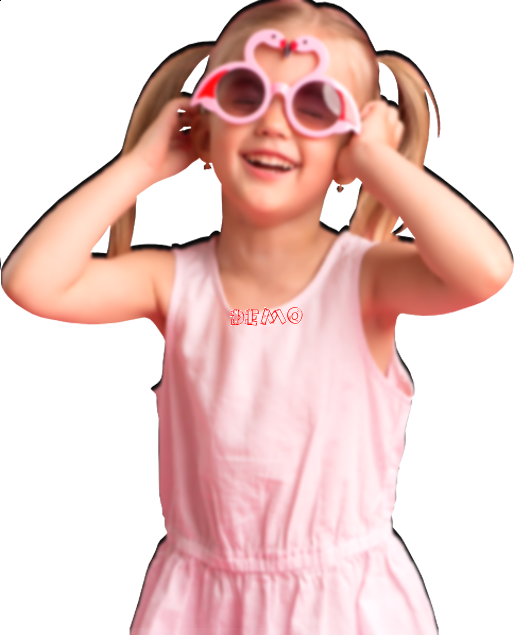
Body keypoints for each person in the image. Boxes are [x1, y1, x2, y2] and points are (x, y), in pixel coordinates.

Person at [2, 1, 512, 633]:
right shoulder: (172, 283)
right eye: (245, 94)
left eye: (315, 106)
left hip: (343, 611)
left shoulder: (367, 279)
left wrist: (379, 164)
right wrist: (141, 167)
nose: (273, 123)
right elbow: (30, 283)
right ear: (204, 128)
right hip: (199, 607)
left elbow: (486, 271)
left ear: (348, 146)